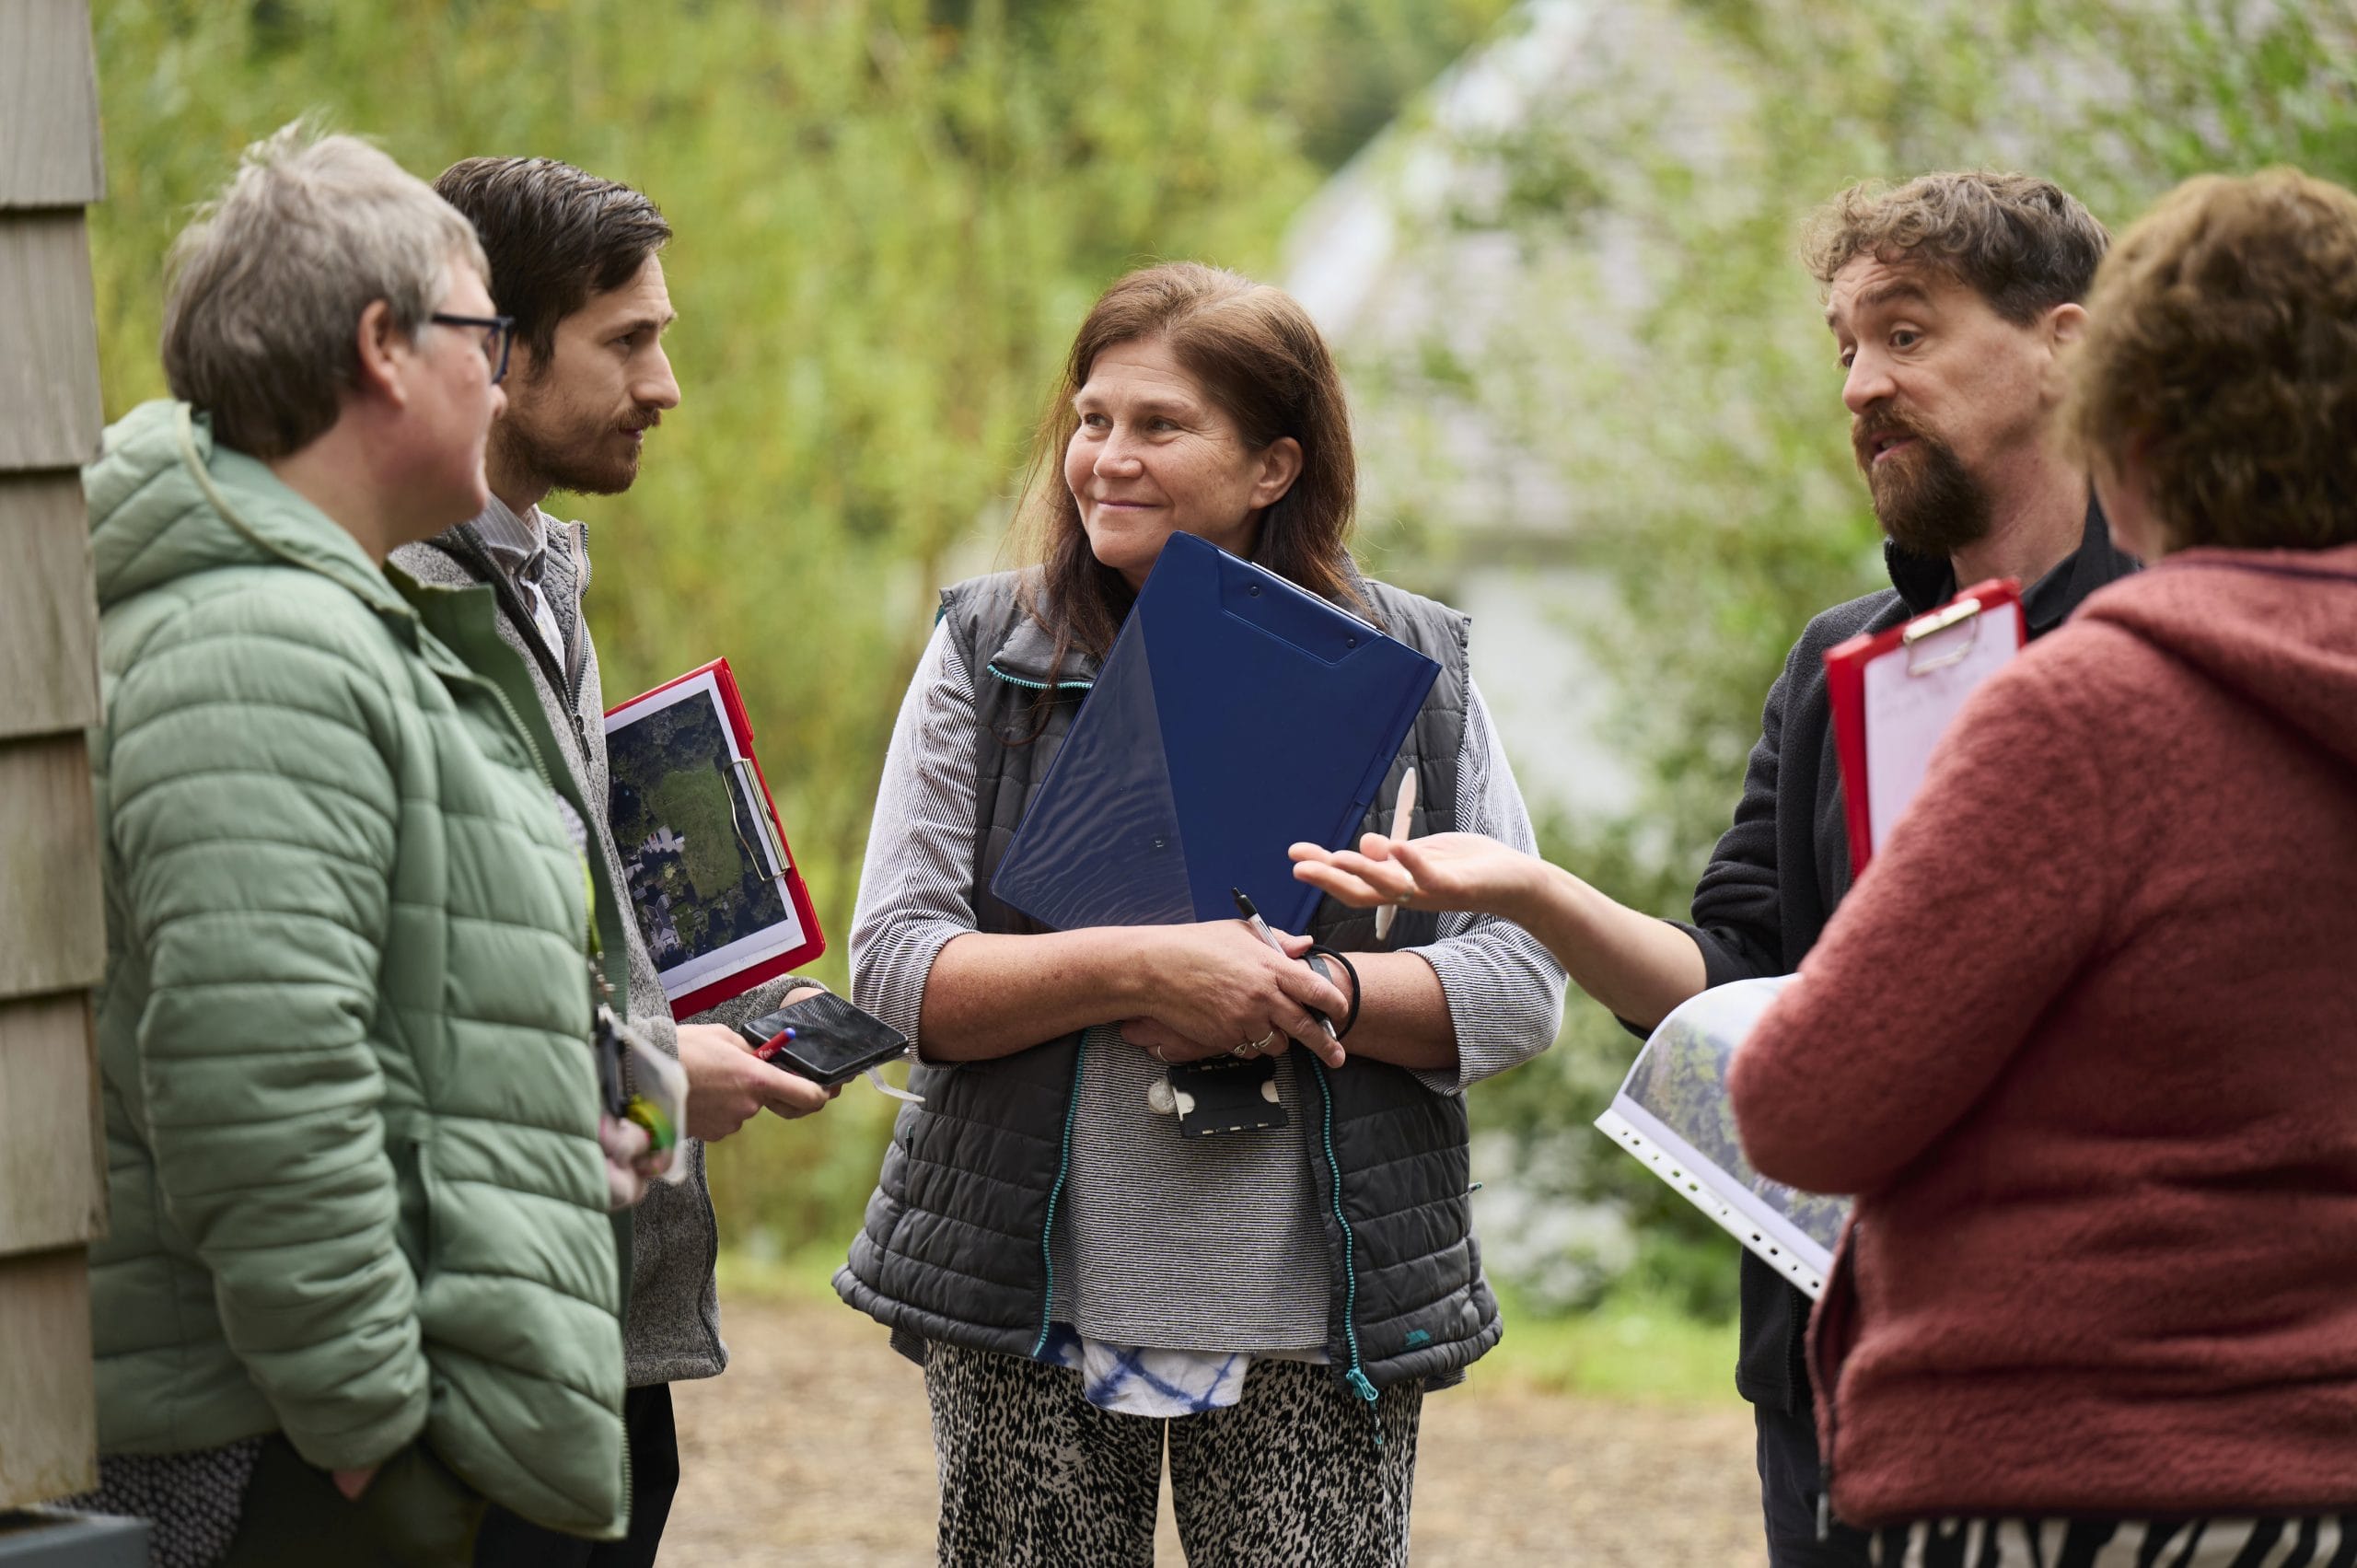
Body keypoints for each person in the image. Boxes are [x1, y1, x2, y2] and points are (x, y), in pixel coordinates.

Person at [1290, 170, 2138, 1566]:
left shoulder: (2184, 639)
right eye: (1845, 346)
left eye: (1908, 334)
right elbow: (1736, 978)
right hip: (1845, 1370)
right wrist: (1530, 892)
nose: (1862, 382)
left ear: (2065, 343)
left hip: (2116, 1380)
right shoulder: (1839, 666)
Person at [836, 261, 1566, 1566]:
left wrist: (1318, 996)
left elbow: (1520, 981)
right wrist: (1147, 969)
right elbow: (897, 967)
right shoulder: (988, 650)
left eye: (1159, 426)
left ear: (1274, 467)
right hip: (1032, 1287)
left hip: (1312, 1301)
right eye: (1092, 418)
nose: (1105, 458)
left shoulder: (1414, 669)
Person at [1727, 166, 2357, 1565]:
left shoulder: (2086, 710)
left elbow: (1802, 1108)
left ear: (2118, 413)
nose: (1860, 385)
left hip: (2073, 1467)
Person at [75, 128, 628, 1565]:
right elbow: (260, 1084)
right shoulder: (257, 643)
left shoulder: (327, 617)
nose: (497, 372)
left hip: (296, 1436)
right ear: (385, 346)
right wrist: (372, 1427)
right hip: (265, 1456)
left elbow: (403, 1012)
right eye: (482, 333)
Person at [387, 155, 838, 1568]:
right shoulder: (391, 608)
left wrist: (675, 1038)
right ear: (497, 356)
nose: (666, 386)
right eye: (628, 342)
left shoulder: (540, 576)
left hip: (602, 1305)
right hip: (474, 1337)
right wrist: (652, 1076)